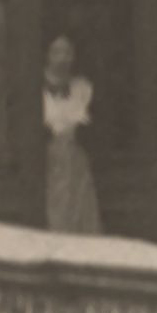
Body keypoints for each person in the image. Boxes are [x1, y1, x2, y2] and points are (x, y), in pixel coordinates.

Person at [41, 33, 103, 236]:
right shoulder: (35, 89)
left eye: (67, 52)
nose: (62, 58)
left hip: (77, 163)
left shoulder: (83, 88)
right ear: (47, 54)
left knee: (80, 215)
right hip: (47, 164)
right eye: (56, 52)